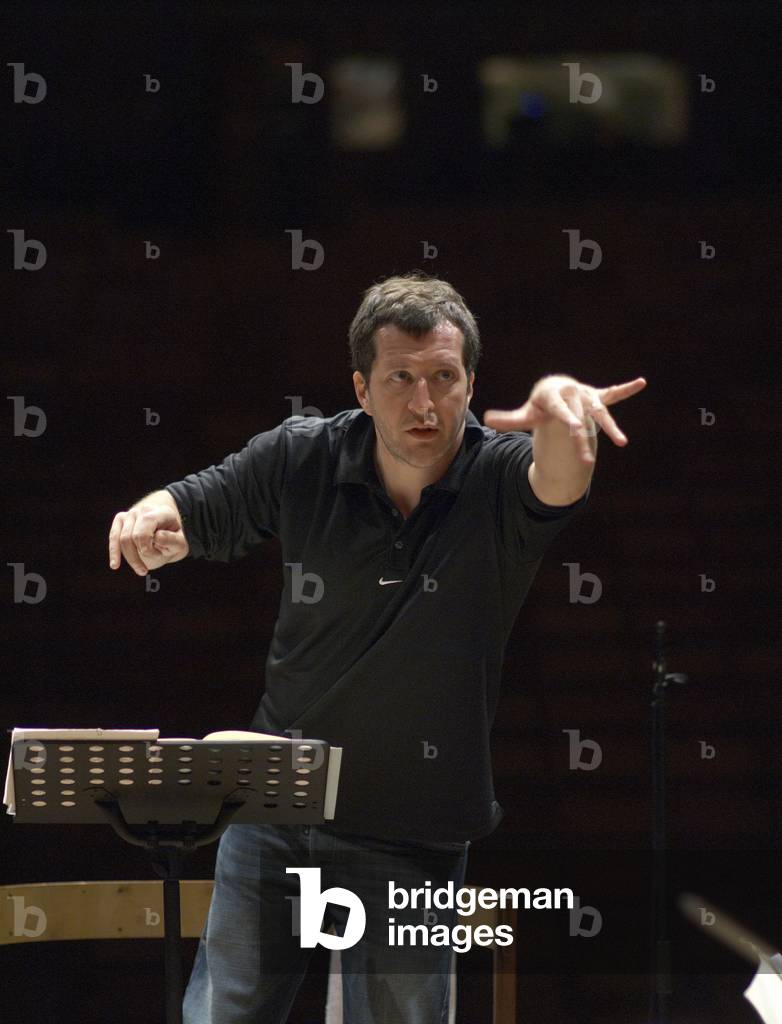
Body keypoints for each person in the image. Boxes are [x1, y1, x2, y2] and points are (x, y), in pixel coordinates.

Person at [108, 273, 646, 1024]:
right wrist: (148, 516)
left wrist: (559, 406)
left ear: (471, 384)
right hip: (276, 803)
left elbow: (558, 478)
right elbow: (193, 501)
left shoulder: (496, 475)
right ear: (362, 388)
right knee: (222, 1013)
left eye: (444, 378)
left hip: (415, 825)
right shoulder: (303, 454)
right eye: (400, 378)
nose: (425, 403)